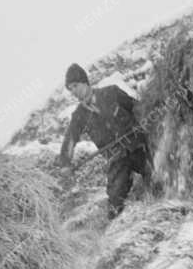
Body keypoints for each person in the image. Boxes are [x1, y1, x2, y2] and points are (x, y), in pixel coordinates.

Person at [56, 63, 150, 219]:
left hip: (138, 147)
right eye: (70, 89)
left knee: (157, 178)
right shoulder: (79, 116)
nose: (73, 92)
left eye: (75, 86)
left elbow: (137, 108)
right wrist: (65, 163)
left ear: (85, 82)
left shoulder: (112, 93)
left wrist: (147, 124)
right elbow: (70, 140)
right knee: (114, 203)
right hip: (117, 158)